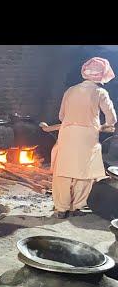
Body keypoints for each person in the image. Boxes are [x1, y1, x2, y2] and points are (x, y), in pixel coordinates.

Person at [50, 57, 117, 218]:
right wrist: (107, 126)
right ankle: (78, 206)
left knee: (63, 172)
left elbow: (61, 116)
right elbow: (112, 118)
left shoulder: (70, 90)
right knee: (84, 173)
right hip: (88, 136)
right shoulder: (100, 92)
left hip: (67, 134)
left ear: (84, 72)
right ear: (102, 75)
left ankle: (61, 208)